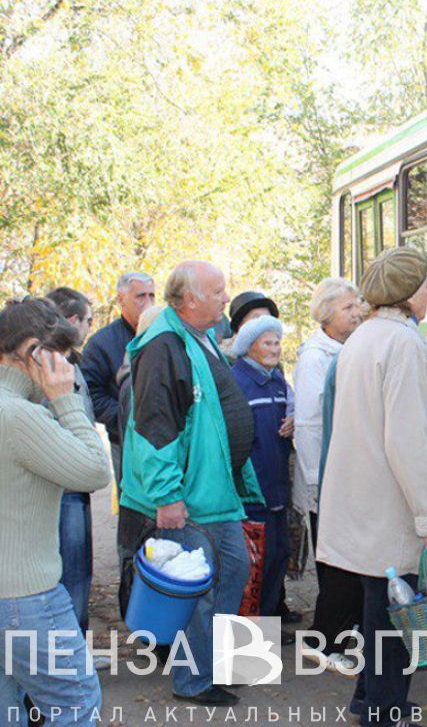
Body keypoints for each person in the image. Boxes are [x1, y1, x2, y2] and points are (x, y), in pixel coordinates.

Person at [317, 247, 427, 727]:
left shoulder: (363, 336)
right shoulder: (405, 343)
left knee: (378, 606)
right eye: (426, 285)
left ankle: (368, 699)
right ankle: (384, 711)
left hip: (362, 496)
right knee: (393, 616)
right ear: (411, 293)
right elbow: (408, 440)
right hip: (390, 503)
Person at [119, 261, 263, 706]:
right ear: (189, 300)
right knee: (204, 587)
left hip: (214, 491)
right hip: (190, 497)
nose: (226, 298)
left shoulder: (197, 337)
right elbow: (154, 428)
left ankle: (213, 665)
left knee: (232, 571)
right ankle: (194, 680)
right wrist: (168, 496)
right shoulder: (163, 345)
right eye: (218, 292)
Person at [0, 298, 113, 726]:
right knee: (76, 702)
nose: (67, 370)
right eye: (61, 358)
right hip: (25, 598)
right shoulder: (18, 415)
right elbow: (94, 471)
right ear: (36, 354)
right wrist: (65, 401)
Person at [295, 278, 364, 672]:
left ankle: (344, 633)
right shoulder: (315, 357)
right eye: (346, 308)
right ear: (325, 315)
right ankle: (326, 643)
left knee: (350, 562)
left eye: (357, 305)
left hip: (346, 476)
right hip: (326, 479)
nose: (356, 313)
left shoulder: (345, 348)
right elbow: (307, 424)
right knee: (336, 567)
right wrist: (317, 483)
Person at [43, 288, 99, 636]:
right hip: (65, 486)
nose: (90, 328)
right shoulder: (52, 368)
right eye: (89, 320)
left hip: (75, 484)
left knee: (77, 571)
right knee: (71, 574)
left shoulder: (70, 363)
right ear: (74, 321)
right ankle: (68, 653)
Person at [231, 317, 293, 622]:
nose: (274, 349)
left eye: (277, 342)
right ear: (249, 347)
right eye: (267, 343)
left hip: (278, 487)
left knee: (277, 560)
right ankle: (249, 643)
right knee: (255, 569)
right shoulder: (237, 382)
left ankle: (266, 630)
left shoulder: (277, 380)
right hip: (253, 493)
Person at [113, 304, 163, 621]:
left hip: (144, 494)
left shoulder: (143, 373)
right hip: (144, 496)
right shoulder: (139, 381)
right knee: (145, 563)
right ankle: (149, 631)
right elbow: (147, 443)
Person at [81, 271, 156, 482]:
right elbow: (89, 393)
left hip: (166, 440)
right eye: (140, 296)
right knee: (135, 509)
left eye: (152, 295)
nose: (148, 302)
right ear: (121, 300)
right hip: (125, 443)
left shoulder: (164, 335)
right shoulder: (101, 343)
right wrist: (125, 418)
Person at [222, 291, 279, 361]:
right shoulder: (221, 359)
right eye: (256, 318)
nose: (264, 324)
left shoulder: (273, 363)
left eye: (268, 319)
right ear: (239, 326)